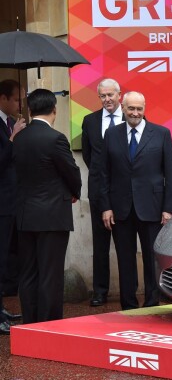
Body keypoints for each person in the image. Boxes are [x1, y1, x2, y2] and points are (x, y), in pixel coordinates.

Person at [101, 91, 172, 310]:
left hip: (152, 209)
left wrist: (168, 209)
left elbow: (171, 175)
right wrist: (105, 207)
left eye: (139, 109)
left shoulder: (161, 134)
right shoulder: (112, 134)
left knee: (151, 259)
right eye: (131, 108)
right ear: (122, 108)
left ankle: (152, 303)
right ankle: (129, 305)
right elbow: (103, 174)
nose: (135, 113)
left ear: (145, 109)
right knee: (125, 260)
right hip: (120, 209)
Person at [12, 89, 82, 324]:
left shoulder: (18, 138)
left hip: (24, 215)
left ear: (30, 111)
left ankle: (30, 323)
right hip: (52, 215)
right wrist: (74, 192)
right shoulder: (56, 138)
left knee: (29, 273)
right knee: (50, 274)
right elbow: (71, 171)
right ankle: (49, 325)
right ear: (54, 109)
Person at [81, 78, 123, 307]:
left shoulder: (132, 117)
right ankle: (100, 291)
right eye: (103, 96)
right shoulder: (90, 121)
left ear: (119, 95)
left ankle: (128, 290)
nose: (107, 99)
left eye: (110, 95)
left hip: (125, 194)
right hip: (98, 193)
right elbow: (89, 157)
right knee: (100, 246)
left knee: (125, 245)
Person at [0, 79, 26, 334]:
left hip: (13, 201)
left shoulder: (8, 122)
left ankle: (2, 309)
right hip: (2, 203)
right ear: (4, 98)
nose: (20, 104)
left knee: (7, 259)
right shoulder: (6, 127)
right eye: (17, 99)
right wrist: (13, 138)